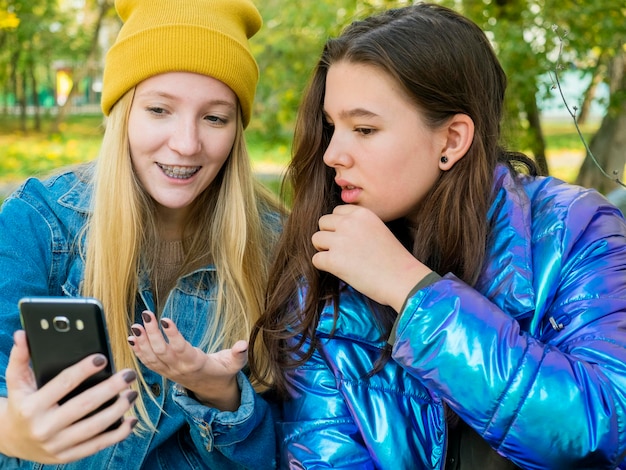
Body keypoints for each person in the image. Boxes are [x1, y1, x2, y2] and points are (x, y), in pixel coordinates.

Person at [250, 3, 626, 469]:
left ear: (451, 140)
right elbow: (326, 454)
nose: (332, 154)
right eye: (332, 127)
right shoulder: (328, 262)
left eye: (364, 128)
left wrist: (411, 291)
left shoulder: (577, 231)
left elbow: (603, 430)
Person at [0, 0, 283, 468]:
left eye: (215, 117)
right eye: (159, 110)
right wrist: (13, 431)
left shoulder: (276, 244)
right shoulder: (35, 223)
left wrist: (221, 394)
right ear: (122, 113)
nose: (187, 143)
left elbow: (291, 449)